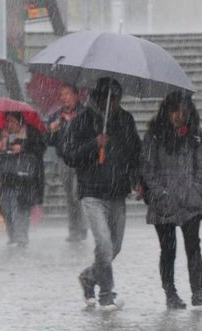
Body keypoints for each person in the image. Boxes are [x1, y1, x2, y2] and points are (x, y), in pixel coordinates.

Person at [62, 77, 141, 312]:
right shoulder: (83, 121)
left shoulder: (126, 120)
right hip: (92, 192)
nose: (113, 105)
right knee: (104, 244)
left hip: (117, 191)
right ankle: (107, 293)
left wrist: (138, 180)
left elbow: (135, 153)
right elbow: (70, 156)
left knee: (114, 247)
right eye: (109, 100)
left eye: (117, 100)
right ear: (98, 99)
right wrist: (93, 145)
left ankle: (89, 277)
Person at [139, 91, 202, 310]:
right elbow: (147, 168)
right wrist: (161, 194)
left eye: (184, 111)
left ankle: (197, 291)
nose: (179, 115)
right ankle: (170, 292)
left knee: (193, 247)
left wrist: (195, 189)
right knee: (168, 250)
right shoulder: (154, 136)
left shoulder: (193, 136)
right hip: (164, 204)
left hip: (189, 201)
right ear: (167, 112)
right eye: (175, 111)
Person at [0, 111, 46, 248]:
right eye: (7, 121)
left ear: (20, 121)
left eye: (12, 121)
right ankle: (13, 234)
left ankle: (21, 236)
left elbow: (40, 148)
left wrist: (23, 147)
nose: (9, 124)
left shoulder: (31, 133)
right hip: (4, 179)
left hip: (25, 179)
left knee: (21, 206)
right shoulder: (1, 134)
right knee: (5, 207)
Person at [46, 82, 88, 242]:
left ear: (76, 96)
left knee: (77, 193)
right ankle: (73, 230)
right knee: (70, 197)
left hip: (81, 161)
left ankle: (82, 227)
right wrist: (52, 130)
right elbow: (48, 141)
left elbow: (89, 134)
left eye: (67, 94)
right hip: (63, 160)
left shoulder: (85, 113)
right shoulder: (56, 116)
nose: (64, 98)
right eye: (62, 95)